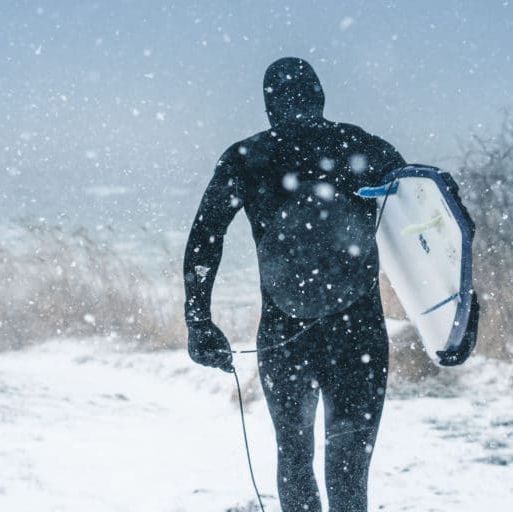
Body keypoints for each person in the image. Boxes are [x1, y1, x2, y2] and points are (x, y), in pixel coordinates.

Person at [182, 57, 406, 512]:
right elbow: (430, 212)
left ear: (269, 105)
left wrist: (199, 321)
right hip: (357, 332)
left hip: (285, 335)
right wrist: (460, 308)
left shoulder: (247, 156)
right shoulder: (362, 146)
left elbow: (206, 236)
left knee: (295, 456)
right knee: (348, 468)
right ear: (320, 98)